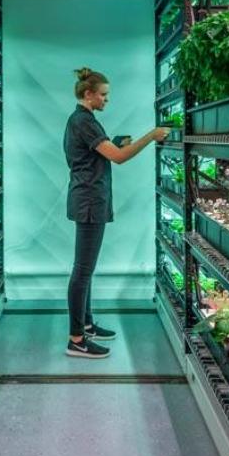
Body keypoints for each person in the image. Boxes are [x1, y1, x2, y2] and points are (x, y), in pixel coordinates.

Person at [62, 67, 169, 359]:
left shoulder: (83, 120)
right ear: (88, 94)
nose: (107, 100)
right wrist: (151, 135)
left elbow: (100, 153)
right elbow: (119, 158)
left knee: (86, 269)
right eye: (104, 95)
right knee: (82, 271)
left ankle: (86, 324)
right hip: (89, 202)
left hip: (89, 198)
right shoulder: (84, 122)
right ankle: (76, 340)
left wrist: (118, 142)